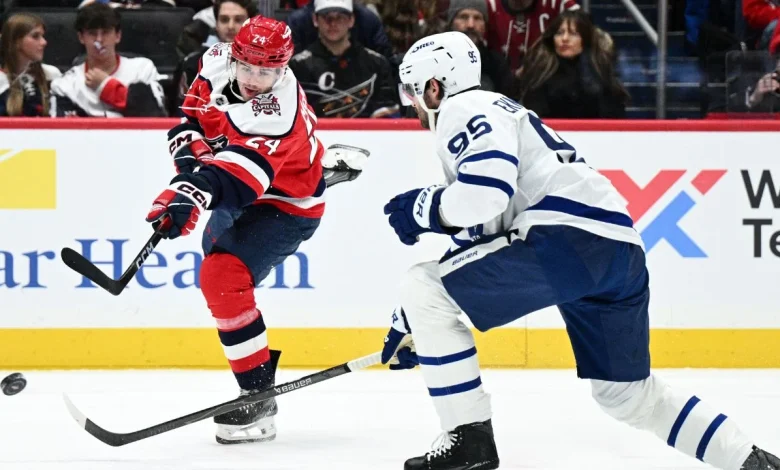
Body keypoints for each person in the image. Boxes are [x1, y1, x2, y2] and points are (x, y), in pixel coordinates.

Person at [379, 31, 780, 470]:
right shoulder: (503, 110)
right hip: (618, 250)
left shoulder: (462, 108)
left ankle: (468, 441)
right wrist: (419, 320)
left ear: (434, 87)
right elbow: (485, 231)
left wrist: (425, 208)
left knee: (422, 285)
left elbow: (485, 195)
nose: (410, 104)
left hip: (565, 239)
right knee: (626, 395)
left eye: (411, 92)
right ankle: (750, 460)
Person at [144, 15, 366, 445]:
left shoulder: (278, 111)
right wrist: (188, 167)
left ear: (284, 67)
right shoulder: (214, 60)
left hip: (286, 204)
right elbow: (193, 121)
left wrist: (190, 191)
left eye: (266, 72)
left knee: (221, 276)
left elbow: (238, 181)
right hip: (250, 180)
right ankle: (313, 166)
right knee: (214, 256)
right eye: (246, 66)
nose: (253, 79)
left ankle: (258, 396)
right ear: (234, 55)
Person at [50, 3, 166, 117]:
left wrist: (106, 86)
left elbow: (156, 114)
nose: (99, 40)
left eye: (106, 32)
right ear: (81, 37)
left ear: (118, 36)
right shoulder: (65, 84)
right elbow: (62, 127)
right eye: (92, 33)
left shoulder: (143, 69)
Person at [516, 10, 628, 119]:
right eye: (559, 33)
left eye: (573, 34)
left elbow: (614, 113)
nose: (564, 39)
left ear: (585, 39)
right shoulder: (540, 71)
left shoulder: (601, 70)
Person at [0, 13, 61, 117]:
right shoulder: (1, 80)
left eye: (42, 36)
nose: (44, 42)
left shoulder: (51, 74)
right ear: (16, 42)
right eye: (35, 36)